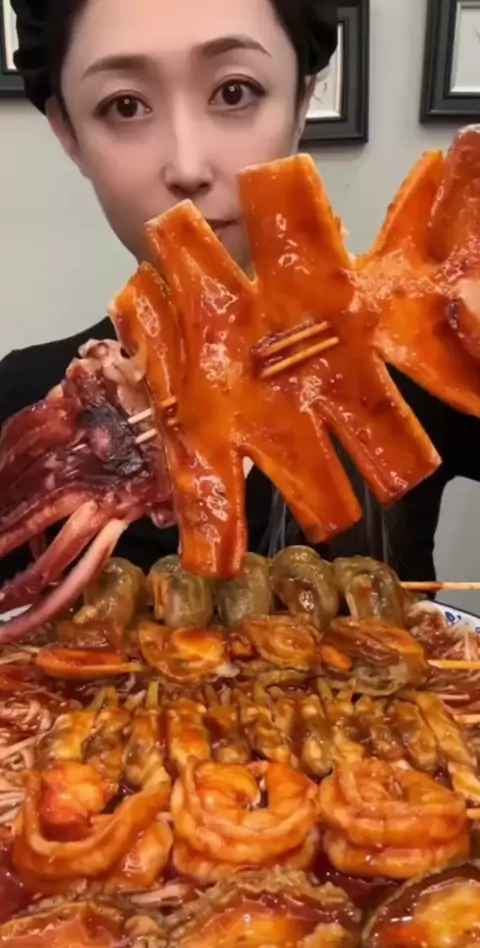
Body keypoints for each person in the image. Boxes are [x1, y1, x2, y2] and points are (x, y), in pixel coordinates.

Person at [0, 0, 478, 588]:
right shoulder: (23, 404)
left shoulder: (427, 364)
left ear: (301, 102)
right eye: (125, 105)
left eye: (234, 92)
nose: (188, 166)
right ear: (68, 134)